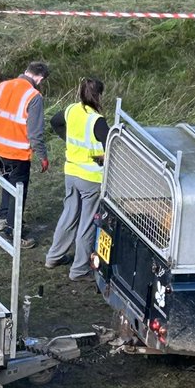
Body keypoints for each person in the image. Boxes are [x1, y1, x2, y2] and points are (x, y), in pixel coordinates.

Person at [0, 61, 51, 250]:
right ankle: (13, 232)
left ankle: (3, 216)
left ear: (26, 71)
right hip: (17, 153)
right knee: (19, 191)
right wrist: (42, 155)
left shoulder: (2, 87)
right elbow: (35, 132)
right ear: (40, 78)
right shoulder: (34, 96)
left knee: (6, 180)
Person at [46, 77, 110, 282]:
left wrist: (68, 140)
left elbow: (55, 122)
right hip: (90, 178)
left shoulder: (71, 109)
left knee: (69, 214)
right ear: (99, 95)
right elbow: (111, 146)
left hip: (71, 173)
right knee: (88, 223)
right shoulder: (97, 120)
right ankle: (79, 269)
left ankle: (53, 257)